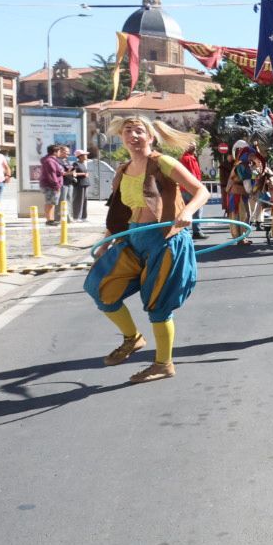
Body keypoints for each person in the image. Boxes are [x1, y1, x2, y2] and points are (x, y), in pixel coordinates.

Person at [84, 117, 208, 385]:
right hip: (131, 239)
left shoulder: (162, 162)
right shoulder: (122, 169)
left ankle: (163, 363)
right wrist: (106, 240)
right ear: (122, 137)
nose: (133, 135)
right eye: (128, 131)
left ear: (150, 137)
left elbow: (201, 191)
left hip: (165, 239)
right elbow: (119, 212)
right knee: (100, 288)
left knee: (158, 304)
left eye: (140, 131)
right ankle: (133, 338)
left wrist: (187, 211)